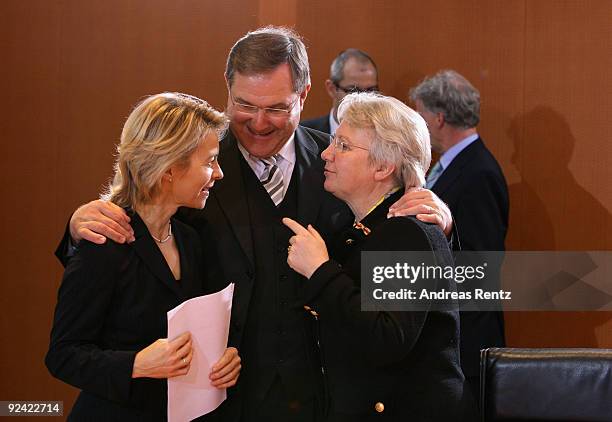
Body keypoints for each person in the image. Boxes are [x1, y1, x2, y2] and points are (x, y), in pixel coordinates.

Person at [57, 27, 454, 422]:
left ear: (304, 93)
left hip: (324, 394)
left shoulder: (339, 164)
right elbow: (134, 241)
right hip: (222, 398)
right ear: (227, 89)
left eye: (277, 108)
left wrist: (444, 224)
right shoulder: (194, 166)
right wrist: (78, 228)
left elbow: (417, 270)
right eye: (245, 105)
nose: (259, 123)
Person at [46, 93, 241, 421]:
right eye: (209, 161)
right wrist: (136, 364)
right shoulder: (105, 243)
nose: (219, 173)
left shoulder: (189, 240)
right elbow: (62, 355)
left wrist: (226, 356)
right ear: (170, 169)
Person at [284, 92, 469, 421]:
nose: (326, 154)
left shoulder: (407, 232)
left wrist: (320, 271)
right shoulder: (365, 227)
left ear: (384, 166)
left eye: (343, 145)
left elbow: (387, 339)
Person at [410, 69, 509, 405]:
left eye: (420, 114)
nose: (418, 123)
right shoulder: (457, 164)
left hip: (468, 344)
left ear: (438, 118)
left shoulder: (478, 172)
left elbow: (482, 264)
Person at [301, 48, 378, 134]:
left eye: (371, 91)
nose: (364, 100)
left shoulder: (386, 137)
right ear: (332, 89)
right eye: (354, 91)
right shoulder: (304, 134)